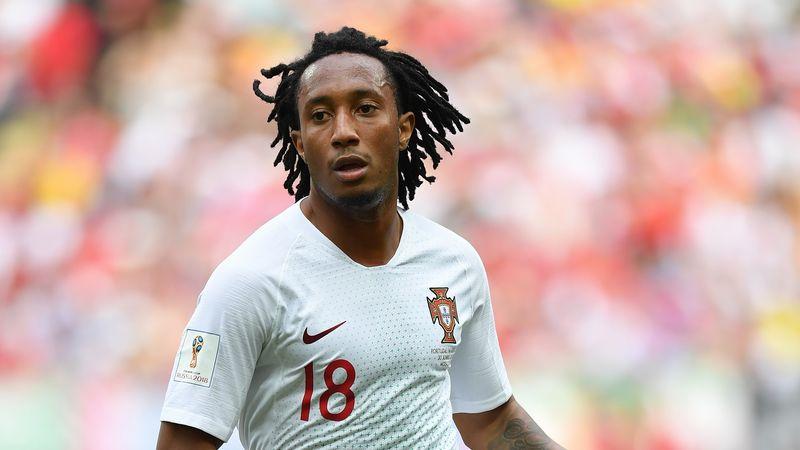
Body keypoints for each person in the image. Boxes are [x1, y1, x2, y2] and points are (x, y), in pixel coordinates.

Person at [156, 27, 564, 450]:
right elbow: (182, 443)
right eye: (320, 116)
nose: (343, 132)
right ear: (300, 143)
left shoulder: (453, 261)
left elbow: (492, 421)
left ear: (404, 129)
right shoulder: (251, 280)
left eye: (365, 109)